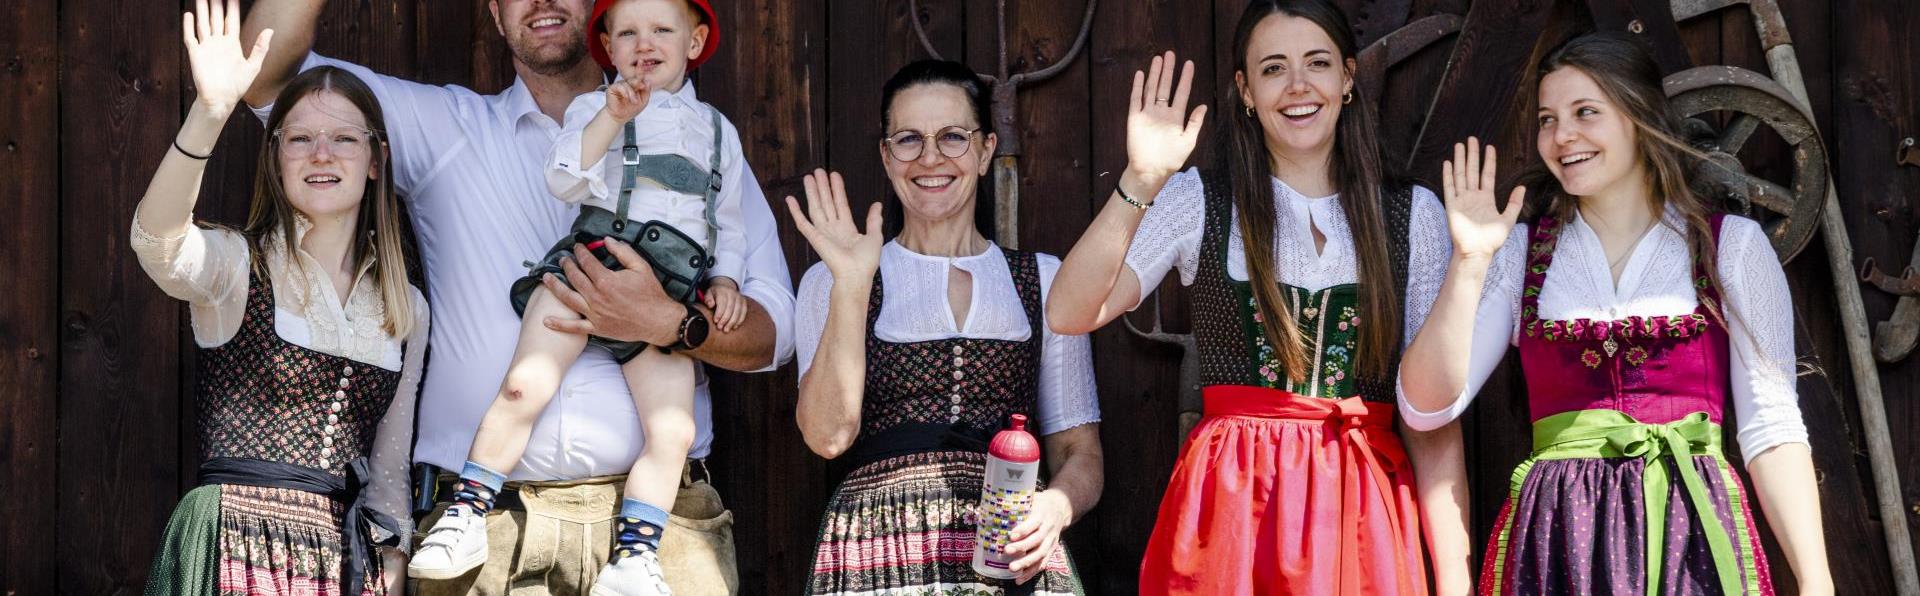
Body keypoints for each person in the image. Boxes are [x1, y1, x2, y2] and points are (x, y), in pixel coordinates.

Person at [239, 0, 797, 593]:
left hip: (661, 536)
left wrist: (674, 325)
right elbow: (261, 73)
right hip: (486, 533)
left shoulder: (695, 138)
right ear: (496, 14)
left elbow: (776, 332)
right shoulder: (443, 127)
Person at [1047, 1, 1476, 593]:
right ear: (1246, 90)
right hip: (1233, 507)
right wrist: (1142, 179)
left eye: (1317, 63)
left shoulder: (1410, 216)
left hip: (1362, 511)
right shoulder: (1200, 200)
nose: (1298, 85)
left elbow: (1432, 426)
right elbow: (1070, 311)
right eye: (1273, 69)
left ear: (1348, 77)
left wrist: (1455, 585)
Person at [1396, 31, 1834, 595]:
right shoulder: (1522, 253)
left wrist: (1816, 580)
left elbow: (1771, 429)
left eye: (1585, 112)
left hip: (1692, 535)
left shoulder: (1730, 247)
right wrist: (1472, 261)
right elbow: (1427, 407)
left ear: (1639, 116)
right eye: (1548, 119)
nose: (1562, 136)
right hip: (1559, 544)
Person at [405, 0, 747, 593]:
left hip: (667, 291)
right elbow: (564, 179)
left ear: (694, 43)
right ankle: (467, 510)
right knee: (522, 386)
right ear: (607, 50)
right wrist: (610, 121)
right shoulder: (595, 107)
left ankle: (636, 558)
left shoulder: (719, 131)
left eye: (662, 30)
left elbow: (727, 222)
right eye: (628, 34)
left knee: (674, 431)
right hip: (590, 262)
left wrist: (725, 282)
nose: (645, 45)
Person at [138, 1, 425, 593]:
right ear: (277, 157)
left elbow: (390, 474)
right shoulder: (238, 266)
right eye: (300, 139)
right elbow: (157, 242)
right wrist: (209, 114)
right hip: (231, 545)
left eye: (344, 138)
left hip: (341, 563)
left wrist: (390, 567)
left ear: (376, 160)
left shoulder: (405, 304)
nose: (322, 154)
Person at [789, 59, 1104, 595]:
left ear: (985, 152)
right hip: (879, 546)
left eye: (953, 137)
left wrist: (1056, 505)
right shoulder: (833, 278)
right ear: (886, 156)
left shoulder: (1044, 280)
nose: (930, 157)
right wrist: (851, 285)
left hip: (1011, 547)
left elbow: (1081, 452)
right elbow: (827, 437)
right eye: (908, 139)